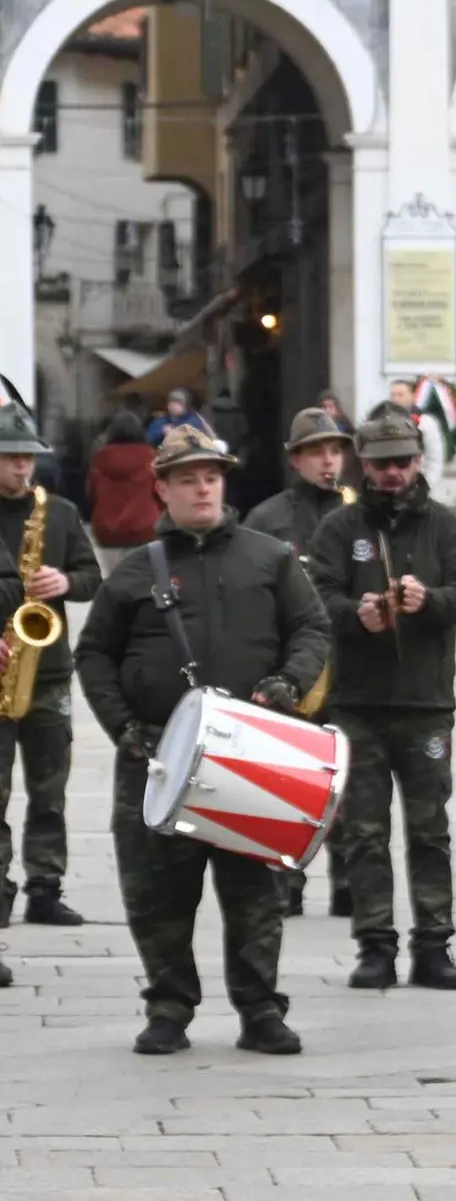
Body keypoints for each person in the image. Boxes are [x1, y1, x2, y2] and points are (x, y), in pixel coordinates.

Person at [72, 428, 330, 1055]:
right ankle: (168, 1006)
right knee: (157, 893)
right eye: (187, 478)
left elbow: (312, 630)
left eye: (211, 476)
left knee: (256, 893)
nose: (202, 487)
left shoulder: (268, 558)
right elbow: (94, 654)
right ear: (162, 488)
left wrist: (287, 682)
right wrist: (123, 728)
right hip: (156, 756)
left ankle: (260, 1009)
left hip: (252, 751)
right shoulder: (135, 570)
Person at [303, 404, 456, 993]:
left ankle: (434, 943)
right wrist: (357, 615)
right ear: (365, 464)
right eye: (381, 464)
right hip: (357, 703)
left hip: (425, 702)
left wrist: (428, 601)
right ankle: (375, 944)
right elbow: (314, 599)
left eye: (402, 462)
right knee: (363, 830)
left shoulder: (443, 523)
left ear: (417, 461)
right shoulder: (339, 528)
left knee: (430, 829)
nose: (391, 474)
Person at [0, 391, 100, 940]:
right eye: (11, 455)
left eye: (28, 456)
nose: (21, 465)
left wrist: (65, 582)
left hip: (48, 670)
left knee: (48, 787)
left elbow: (93, 577)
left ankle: (45, 887)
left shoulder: (57, 513)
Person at [243, 406, 355, 549]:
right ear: (296, 460)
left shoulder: (359, 513)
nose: (328, 460)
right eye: (316, 453)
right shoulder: (266, 519)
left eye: (335, 451)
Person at [86, 411, 162, 555]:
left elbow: (90, 494)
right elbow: (161, 493)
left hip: (107, 532)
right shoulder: (151, 458)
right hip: (145, 529)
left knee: (112, 576)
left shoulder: (99, 459)